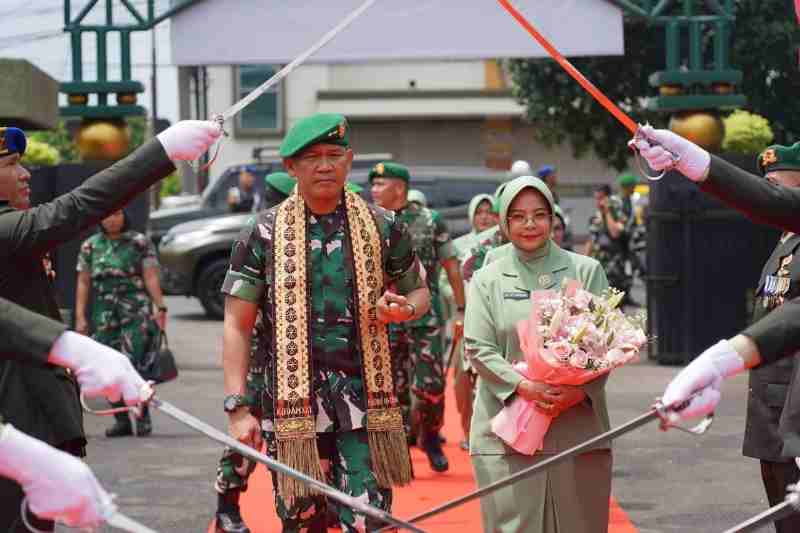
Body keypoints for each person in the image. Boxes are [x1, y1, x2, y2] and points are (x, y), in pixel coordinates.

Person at [0, 120, 220, 532]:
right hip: (17, 415)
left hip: (31, 414)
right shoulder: (6, 229)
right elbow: (80, 205)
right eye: (11, 164)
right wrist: (162, 151)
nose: (25, 173)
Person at [221, 113, 430, 532]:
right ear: (290, 167)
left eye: (334, 155)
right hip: (291, 407)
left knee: (369, 520)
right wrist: (237, 407)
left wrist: (404, 309)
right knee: (303, 522)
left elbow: (420, 293)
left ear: (349, 161)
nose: (324, 166)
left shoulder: (384, 226)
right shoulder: (262, 232)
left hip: (365, 404)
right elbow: (236, 325)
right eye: (311, 157)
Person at [465, 176, 611, 533]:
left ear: (553, 217)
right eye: (518, 216)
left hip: (575, 425)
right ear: (504, 222)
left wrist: (578, 391)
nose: (529, 224)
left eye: (539, 215)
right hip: (506, 431)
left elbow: (606, 344)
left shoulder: (586, 270)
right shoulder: (488, 278)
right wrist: (525, 387)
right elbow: (478, 348)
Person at [370, 161, 466, 472]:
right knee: (393, 389)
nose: (373, 190)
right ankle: (402, 446)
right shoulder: (371, 221)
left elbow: (451, 266)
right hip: (387, 319)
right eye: (373, 185)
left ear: (399, 187)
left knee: (431, 386)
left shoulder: (430, 220)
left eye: (380, 184)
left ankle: (431, 435)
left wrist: (461, 310)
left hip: (426, 318)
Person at [213, 171, 294, 533]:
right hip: (261, 362)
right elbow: (239, 317)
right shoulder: (260, 235)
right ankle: (226, 506)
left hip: (299, 368)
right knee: (247, 438)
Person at [75, 209, 166, 438]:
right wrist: (80, 317)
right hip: (104, 313)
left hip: (135, 311)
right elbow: (83, 282)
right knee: (107, 367)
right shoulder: (90, 245)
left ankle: (142, 417)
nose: (111, 219)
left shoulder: (139, 242)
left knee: (135, 364)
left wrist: (160, 306)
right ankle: (121, 419)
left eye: (116, 214)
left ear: (125, 215)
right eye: (107, 215)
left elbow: (150, 275)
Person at [585, 184, 633, 300]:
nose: (599, 202)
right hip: (598, 268)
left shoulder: (617, 215)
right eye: (597, 199)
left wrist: (607, 212)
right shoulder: (596, 218)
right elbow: (591, 240)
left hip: (614, 270)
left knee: (613, 304)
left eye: (601, 198)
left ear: (608, 199)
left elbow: (615, 233)